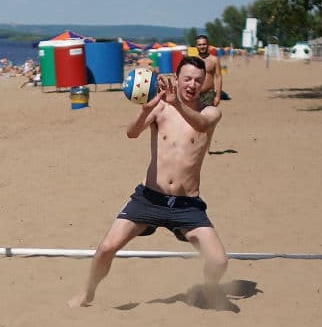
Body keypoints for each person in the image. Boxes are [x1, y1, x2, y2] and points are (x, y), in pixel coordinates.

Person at [69, 56, 228, 308]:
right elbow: (131, 133)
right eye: (187, 79)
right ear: (177, 79)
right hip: (149, 198)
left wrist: (178, 104)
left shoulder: (210, 112)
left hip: (187, 205)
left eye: (198, 80)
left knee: (219, 261)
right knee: (106, 248)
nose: (192, 85)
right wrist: (146, 108)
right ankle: (87, 293)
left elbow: (201, 125)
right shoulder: (161, 108)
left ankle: (209, 289)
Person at [194, 34, 223, 108]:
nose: (202, 46)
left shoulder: (214, 59)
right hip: (195, 94)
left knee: (208, 114)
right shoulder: (193, 60)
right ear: (196, 46)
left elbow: (218, 77)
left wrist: (218, 96)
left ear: (208, 45)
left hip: (209, 95)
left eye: (204, 44)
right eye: (199, 45)